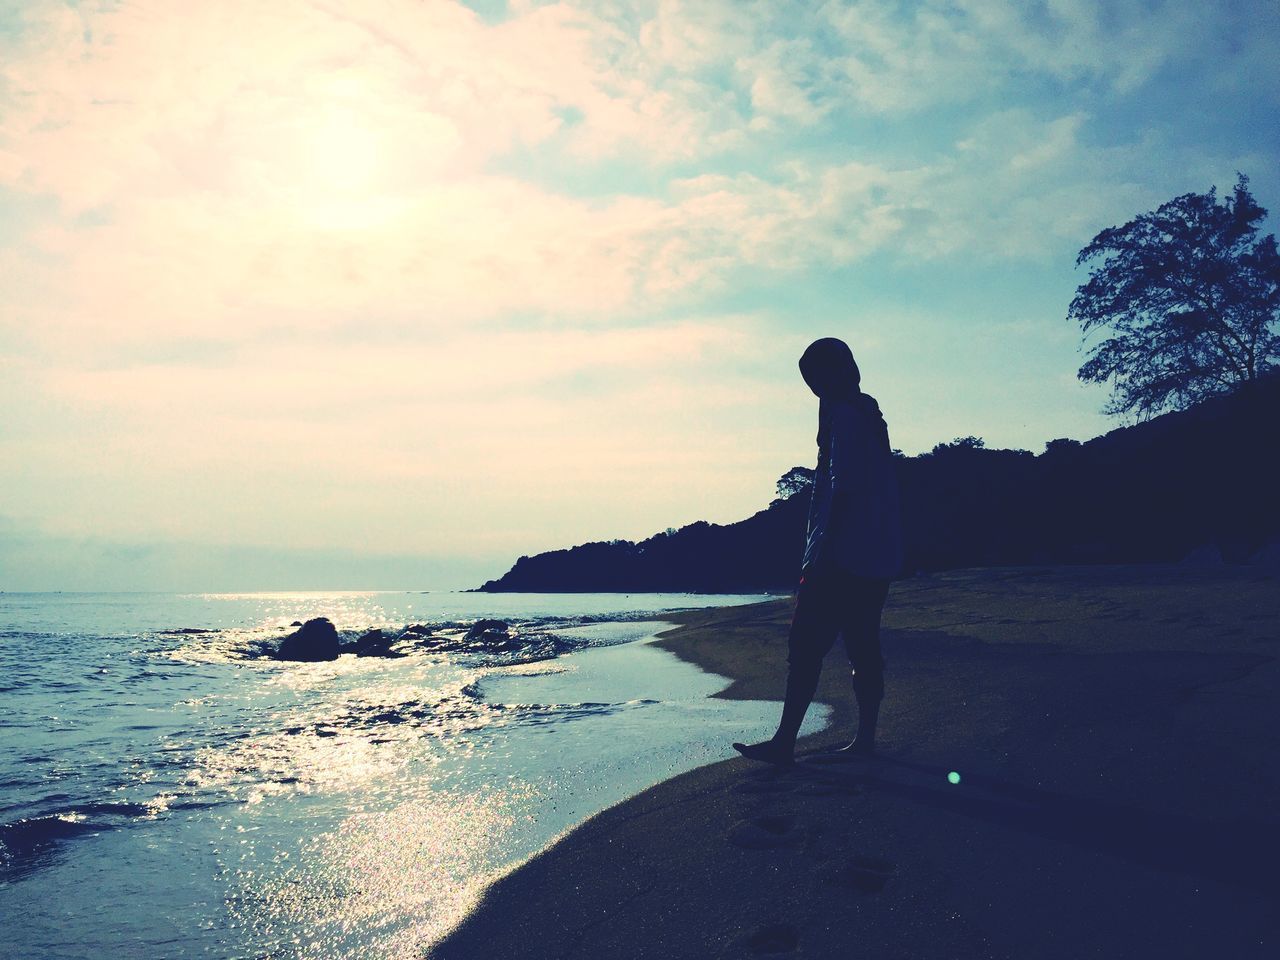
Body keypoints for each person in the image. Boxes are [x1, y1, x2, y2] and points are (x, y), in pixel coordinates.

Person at [733, 337, 903, 766]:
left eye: (814, 378)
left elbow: (843, 488)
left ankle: (786, 742)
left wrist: (823, 552)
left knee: (806, 646)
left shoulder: (846, 415)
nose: (811, 387)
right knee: (862, 645)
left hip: (841, 555)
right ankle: (863, 738)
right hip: (875, 553)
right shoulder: (866, 412)